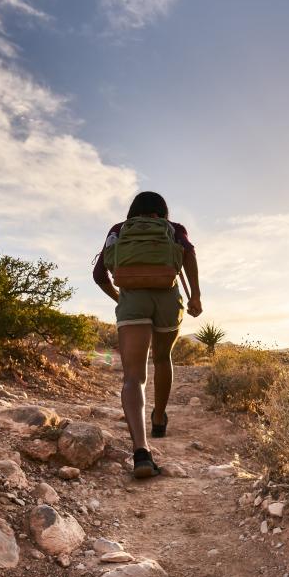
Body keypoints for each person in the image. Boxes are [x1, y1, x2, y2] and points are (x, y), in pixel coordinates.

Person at [93, 191, 202, 478]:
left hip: (133, 301)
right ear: (162, 211)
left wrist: (120, 298)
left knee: (133, 377)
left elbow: (99, 275)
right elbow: (189, 254)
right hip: (167, 298)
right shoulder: (174, 229)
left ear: (133, 211)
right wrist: (196, 297)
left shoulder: (119, 230)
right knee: (163, 358)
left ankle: (141, 451)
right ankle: (158, 417)